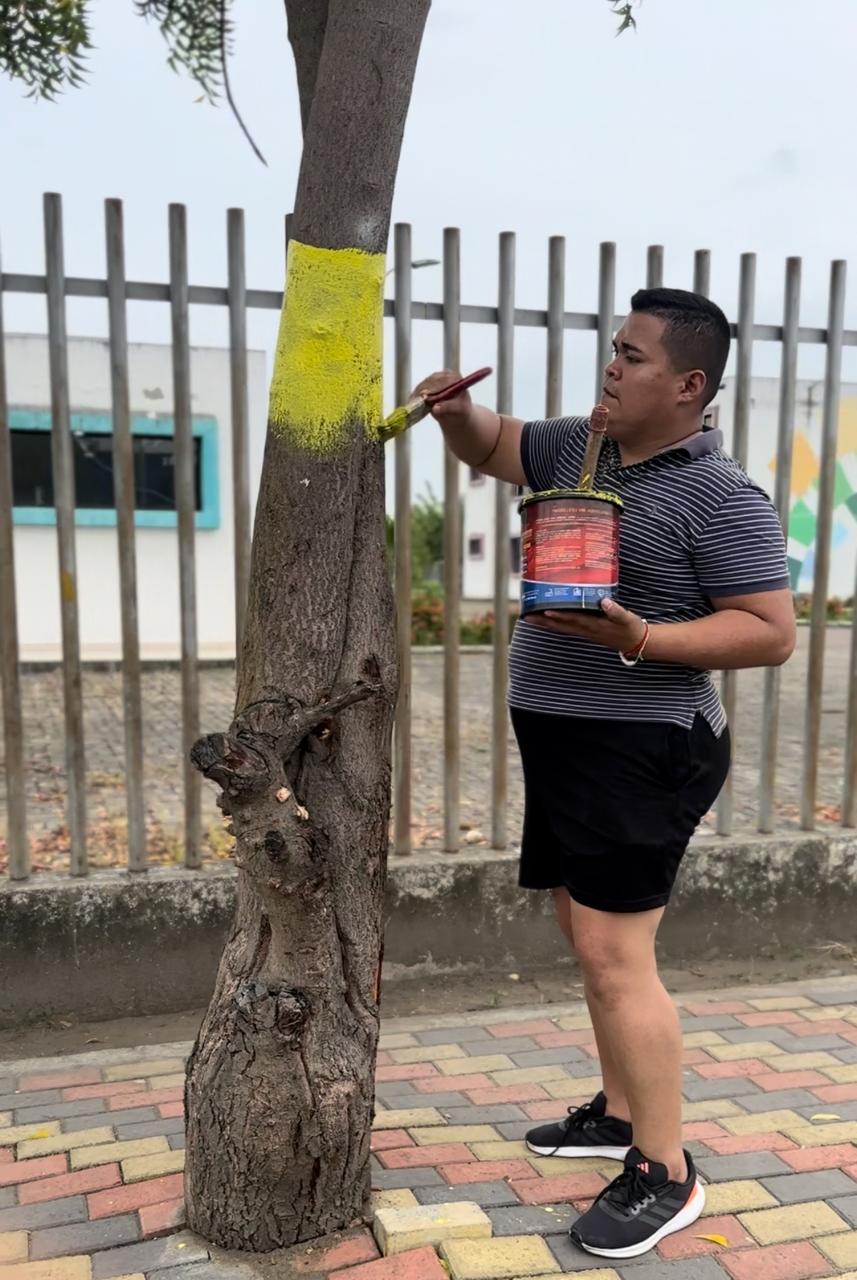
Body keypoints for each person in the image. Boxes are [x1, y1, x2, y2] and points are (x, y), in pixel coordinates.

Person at [414, 287, 795, 1261]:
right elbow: (495, 446)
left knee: (616, 955)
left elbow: (768, 632)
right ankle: (620, 1111)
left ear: (688, 384)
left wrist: (639, 635)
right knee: (586, 939)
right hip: (564, 738)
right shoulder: (580, 445)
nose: (611, 367)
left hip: (644, 744)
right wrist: (457, 414)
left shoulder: (723, 498)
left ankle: (665, 1170)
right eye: (613, 348)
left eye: (632, 356)